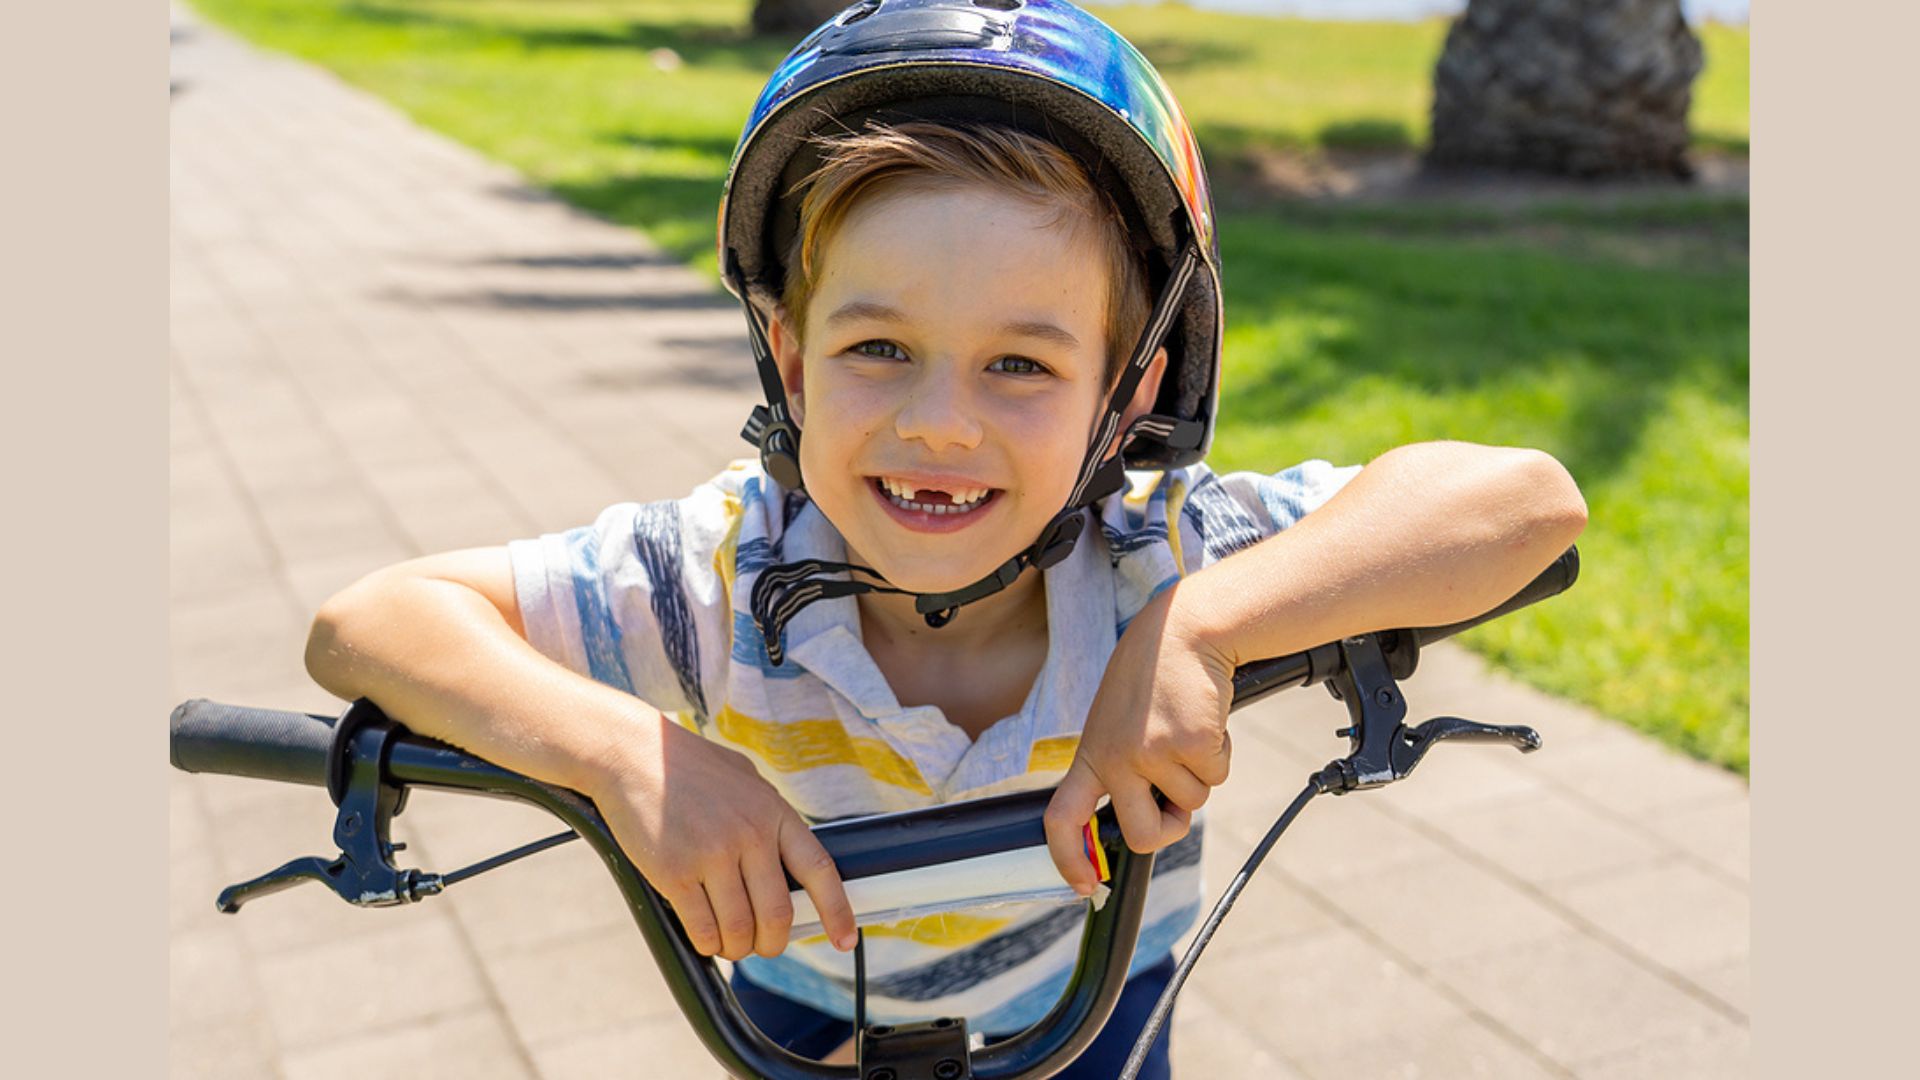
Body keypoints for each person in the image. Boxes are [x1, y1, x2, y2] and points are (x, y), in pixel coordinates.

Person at [303, 1, 1587, 1074]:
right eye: (878, 348)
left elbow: (1525, 501)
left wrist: (1204, 627)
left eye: (1021, 364)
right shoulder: (716, 576)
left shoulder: (1163, 555)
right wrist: (625, 755)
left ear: (1127, 391)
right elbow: (370, 623)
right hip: (800, 992)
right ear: (792, 363)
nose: (939, 425)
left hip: (1097, 997)